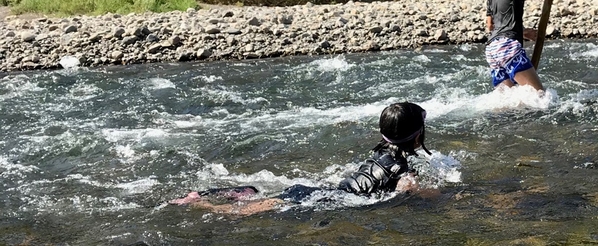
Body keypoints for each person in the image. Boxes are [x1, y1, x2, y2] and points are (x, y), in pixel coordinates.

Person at [168, 102, 431, 215]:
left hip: (318, 191)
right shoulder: (403, 170)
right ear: (417, 137)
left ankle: (209, 193)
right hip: (322, 199)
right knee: (242, 213)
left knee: (256, 195)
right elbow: (410, 192)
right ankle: (200, 203)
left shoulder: (379, 153)